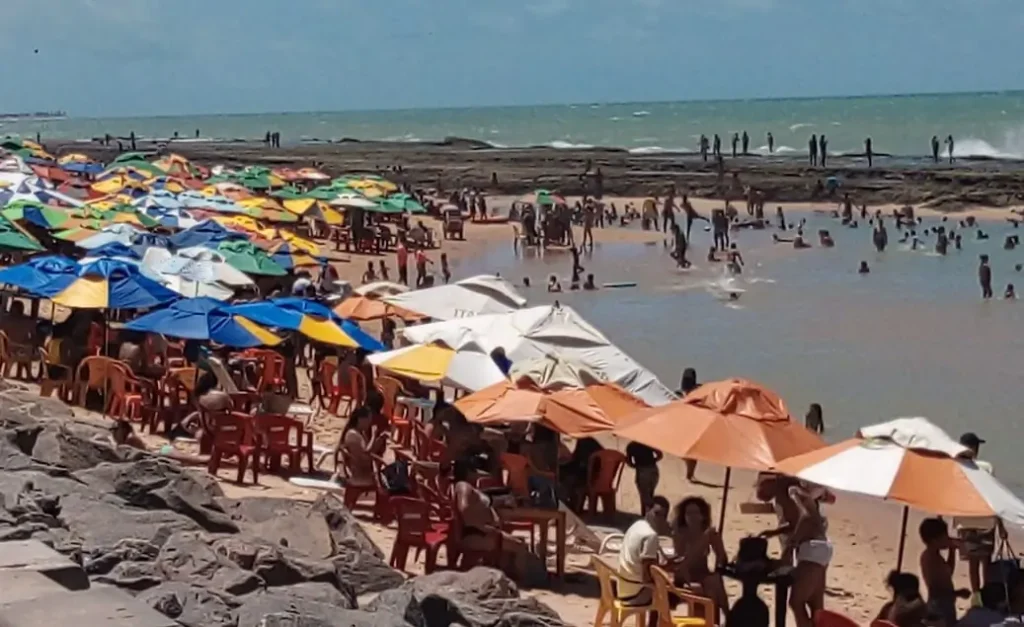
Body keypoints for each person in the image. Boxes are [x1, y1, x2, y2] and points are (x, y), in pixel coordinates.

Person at [453, 459, 533, 580]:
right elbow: (464, 509)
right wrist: (484, 528)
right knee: (521, 546)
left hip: (484, 533)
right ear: (469, 472)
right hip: (477, 535)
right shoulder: (464, 486)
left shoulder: (469, 487)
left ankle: (507, 577)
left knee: (515, 544)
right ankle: (524, 580)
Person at [670, 497, 729, 623]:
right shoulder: (680, 534)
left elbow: (722, 559)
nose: (692, 517)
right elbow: (683, 563)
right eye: (688, 513)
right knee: (712, 585)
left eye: (696, 513)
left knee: (714, 581)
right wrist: (703, 541)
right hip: (685, 578)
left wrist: (717, 543)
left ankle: (721, 619)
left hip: (703, 574)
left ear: (703, 516)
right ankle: (726, 618)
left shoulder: (708, 533)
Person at [784, 483, 833, 627]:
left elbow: (805, 517)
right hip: (823, 547)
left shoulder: (797, 494)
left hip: (812, 550)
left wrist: (792, 544)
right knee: (815, 603)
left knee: (796, 602)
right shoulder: (814, 501)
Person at [955, 433, 997, 601]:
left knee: (973, 563)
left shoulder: (955, 466)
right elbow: (994, 497)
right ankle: (987, 596)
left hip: (965, 521)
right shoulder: (986, 467)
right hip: (986, 521)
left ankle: (977, 597)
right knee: (986, 562)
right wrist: (1000, 525)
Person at [616, 496, 672, 608]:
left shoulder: (637, 525)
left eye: (663, 516)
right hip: (637, 593)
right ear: (647, 510)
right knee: (671, 594)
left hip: (623, 588)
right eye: (657, 513)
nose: (659, 519)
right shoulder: (650, 535)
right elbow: (647, 574)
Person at [920, 516, 970, 626]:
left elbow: (948, 572)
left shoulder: (933, 556)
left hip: (943, 602)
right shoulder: (931, 559)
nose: (947, 539)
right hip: (939, 605)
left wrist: (952, 550)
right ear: (935, 540)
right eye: (944, 537)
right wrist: (958, 593)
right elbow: (936, 590)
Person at [626, 441, 663, 515]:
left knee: (644, 496)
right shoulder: (647, 442)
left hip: (642, 470)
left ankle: (650, 513)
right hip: (653, 469)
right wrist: (653, 460)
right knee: (649, 494)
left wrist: (637, 465)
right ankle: (649, 514)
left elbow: (629, 462)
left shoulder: (631, 446)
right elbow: (660, 454)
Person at [678, 368, 701, 482]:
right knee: (686, 452)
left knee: (692, 452)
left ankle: (690, 474)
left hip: (693, 424)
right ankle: (689, 474)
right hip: (684, 424)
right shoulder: (681, 393)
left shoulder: (698, 391)